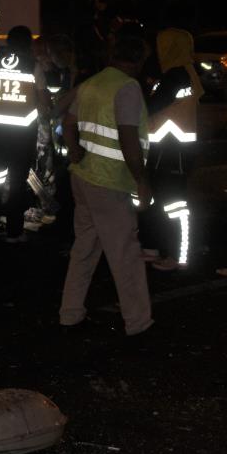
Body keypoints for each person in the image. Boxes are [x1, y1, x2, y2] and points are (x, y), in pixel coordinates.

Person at [59, 31, 154, 336]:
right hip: (110, 183)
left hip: (83, 178)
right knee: (125, 254)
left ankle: (70, 313)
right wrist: (142, 180)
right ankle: (139, 324)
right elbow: (128, 137)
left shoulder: (93, 83)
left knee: (84, 249)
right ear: (138, 59)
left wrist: (74, 152)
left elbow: (67, 121)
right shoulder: (127, 88)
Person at [144, 27, 204, 270]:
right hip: (171, 146)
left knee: (173, 202)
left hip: (172, 147)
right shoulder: (182, 71)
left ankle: (178, 255)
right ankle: (161, 249)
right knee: (165, 200)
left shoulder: (176, 75)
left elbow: (154, 105)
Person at [0, 26, 40, 242]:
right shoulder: (33, 65)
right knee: (17, 182)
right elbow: (42, 98)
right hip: (22, 133)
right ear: (27, 44)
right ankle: (14, 231)